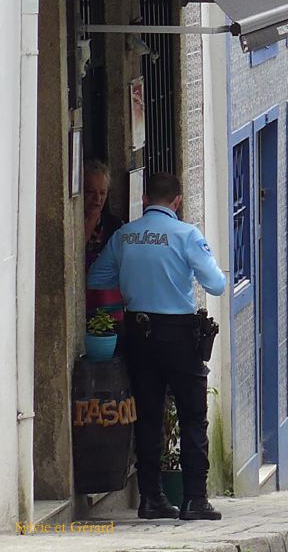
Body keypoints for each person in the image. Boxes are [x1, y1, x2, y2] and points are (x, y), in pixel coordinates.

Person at [87, 171, 227, 522]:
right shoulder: (186, 235)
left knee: (147, 416)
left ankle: (151, 498)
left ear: (145, 200)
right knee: (192, 416)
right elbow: (216, 284)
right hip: (179, 335)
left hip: (138, 333)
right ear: (177, 202)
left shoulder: (125, 236)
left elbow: (97, 278)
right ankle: (194, 498)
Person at [83, 160, 124, 330]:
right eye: (91, 192)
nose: (97, 199)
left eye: (102, 193)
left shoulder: (115, 225)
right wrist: (91, 220)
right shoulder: (73, 225)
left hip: (110, 307)